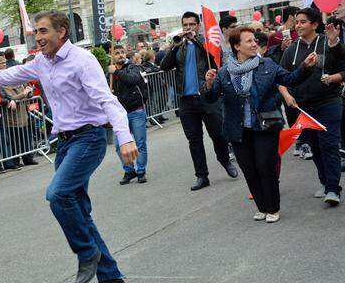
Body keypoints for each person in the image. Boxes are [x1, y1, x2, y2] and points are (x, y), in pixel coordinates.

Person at [0, 10, 138, 283]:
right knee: (79, 211)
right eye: (36, 33)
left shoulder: (82, 61)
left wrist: (125, 137)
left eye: (43, 31)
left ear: (62, 32)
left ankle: (86, 254)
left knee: (57, 194)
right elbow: (12, 75)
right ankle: (109, 276)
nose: (38, 38)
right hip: (66, 142)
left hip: (89, 138)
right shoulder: (41, 62)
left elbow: (108, 100)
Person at [203, 26, 318, 223]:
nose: (255, 43)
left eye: (254, 40)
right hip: (237, 128)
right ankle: (262, 207)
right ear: (237, 46)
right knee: (249, 169)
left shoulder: (267, 64)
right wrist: (209, 84)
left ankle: (273, 207)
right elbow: (211, 98)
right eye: (249, 41)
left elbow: (290, 79)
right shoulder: (223, 72)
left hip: (265, 125)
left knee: (265, 166)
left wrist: (305, 66)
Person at [160, 12, 238, 191]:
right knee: (194, 139)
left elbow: (214, 58)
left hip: (207, 96)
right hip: (186, 100)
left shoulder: (206, 42)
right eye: (185, 25)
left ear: (198, 25)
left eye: (192, 24)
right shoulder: (179, 45)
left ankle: (225, 161)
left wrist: (195, 39)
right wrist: (173, 47)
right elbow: (164, 66)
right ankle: (202, 176)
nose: (188, 28)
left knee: (218, 134)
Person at [279, 8, 345, 205]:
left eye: (302, 22)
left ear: (315, 24)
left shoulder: (328, 42)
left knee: (329, 145)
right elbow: (281, 79)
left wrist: (333, 77)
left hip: (329, 103)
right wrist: (287, 95)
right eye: (296, 22)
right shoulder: (291, 49)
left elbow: (344, 68)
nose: (297, 25)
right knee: (315, 147)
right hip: (303, 107)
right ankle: (325, 183)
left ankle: (333, 189)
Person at [109, 49, 148, 184]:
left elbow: (132, 79)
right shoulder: (109, 72)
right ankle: (129, 170)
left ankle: (141, 171)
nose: (120, 55)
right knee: (119, 145)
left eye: (122, 52)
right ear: (112, 56)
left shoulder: (133, 67)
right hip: (119, 116)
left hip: (136, 110)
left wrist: (117, 72)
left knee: (140, 143)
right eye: (117, 53)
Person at [0, 56, 39, 167]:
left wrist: (29, 92)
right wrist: (23, 94)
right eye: (2, 63)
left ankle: (28, 158)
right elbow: (10, 98)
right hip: (12, 117)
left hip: (23, 114)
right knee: (15, 140)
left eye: (5, 62)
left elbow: (27, 93)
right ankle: (15, 161)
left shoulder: (19, 81)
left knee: (26, 137)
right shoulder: (2, 84)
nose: (5, 64)